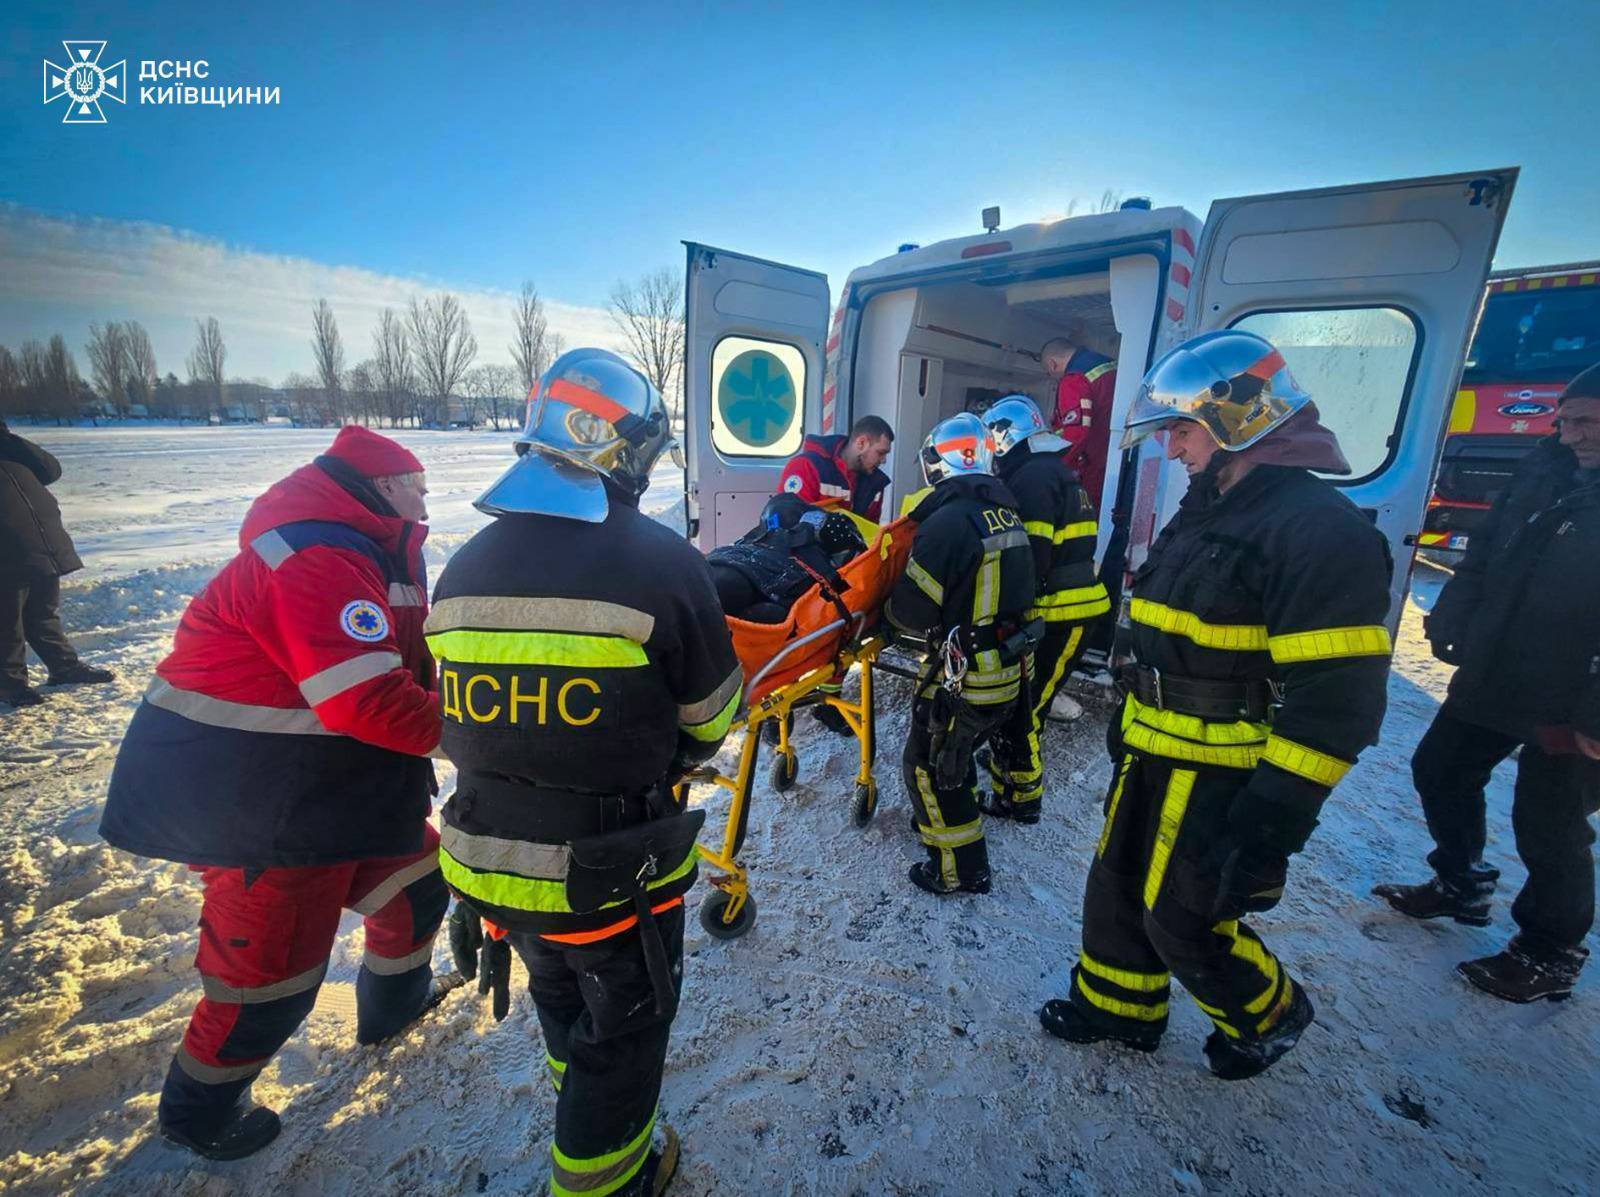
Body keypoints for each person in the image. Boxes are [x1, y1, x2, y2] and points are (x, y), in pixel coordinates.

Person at [1039, 330, 1392, 1080]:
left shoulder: (1319, 532)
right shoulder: (1211, 505)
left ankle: (1269, 1013)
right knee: (1116, 889)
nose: (1171, 449)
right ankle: (1118, 1010)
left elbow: (1339, 704)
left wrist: (1272, 821)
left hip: (1225, 768)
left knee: (1187, 917)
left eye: (1180, 428)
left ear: (1241, 417)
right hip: (1152, 745)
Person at [430, 348, 739, 1197]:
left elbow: (449, 722)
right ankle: (608, 1180)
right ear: (621, 450)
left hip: (490, 864)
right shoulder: (662, 560)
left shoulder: (462, 568)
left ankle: (582, 1111)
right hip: (610, 873)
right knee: (626, 1034)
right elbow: (712, 721)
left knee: (558, 991)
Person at [100, 425, 448, 1159]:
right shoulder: (316, 555)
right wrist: (472, 736)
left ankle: (396, 1005)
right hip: (256, 805)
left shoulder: (374, 547)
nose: (425, 496)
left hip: (329, 788)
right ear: (385, 484)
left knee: (416, 883)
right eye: (416, 481)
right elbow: (367, 698)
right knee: (270, 975)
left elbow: (404, 659)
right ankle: (199, 1111)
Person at [1374, 361, 1600, 1003]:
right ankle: (1460, 880)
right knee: (1440, 768)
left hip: (1577, 691)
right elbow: (1487, 549)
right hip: (1504, 667)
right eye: (1565, 420)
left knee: (1549, 821)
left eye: (1587, 422)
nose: (1569, 435)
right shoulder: (1543, 473)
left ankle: (1550, 951)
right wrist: (1452, 611)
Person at [885, 411, 1036, 896]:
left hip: (966, 675)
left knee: (928, 766)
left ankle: (958, 870)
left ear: (941, 464)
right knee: (959, 753)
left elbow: (910, 613)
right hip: (1008, 666)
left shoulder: (946, 522)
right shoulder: (1006, 513)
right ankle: (948, 823)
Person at [977, 395, 1110, 823]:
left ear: (1002, 439)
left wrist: (1006, 610)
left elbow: (1029, 556)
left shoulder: (1032, 479)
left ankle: (1018, 798)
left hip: (1059, 613)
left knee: (1025, 708)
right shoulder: (1054, 471)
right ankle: (1009, 770)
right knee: (1027, 704)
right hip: (1068, 609)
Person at [0, 418, 114, 707]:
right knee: (6, 623)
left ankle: (64, 668)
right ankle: (10, 685)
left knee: (43, 613)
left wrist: (8, 438)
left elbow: (50, 469)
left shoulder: (9, 449)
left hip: (40, 540)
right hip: (7, 551)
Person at [1041, 335, 1117, 507]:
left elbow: (1075, 433)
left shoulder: (1073, 379)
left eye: (1049, 372)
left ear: (1052, 364)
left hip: (1092, 465)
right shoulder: (1109, 365)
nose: (1053, 377)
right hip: (1113, 458)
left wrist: (1054, 468)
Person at [776, 414, 894, 523]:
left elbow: (871, 533)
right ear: (861, 443)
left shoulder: (876, 482)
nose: (883, 461)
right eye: (880, 453)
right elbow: (789, 523)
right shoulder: (806, 466)